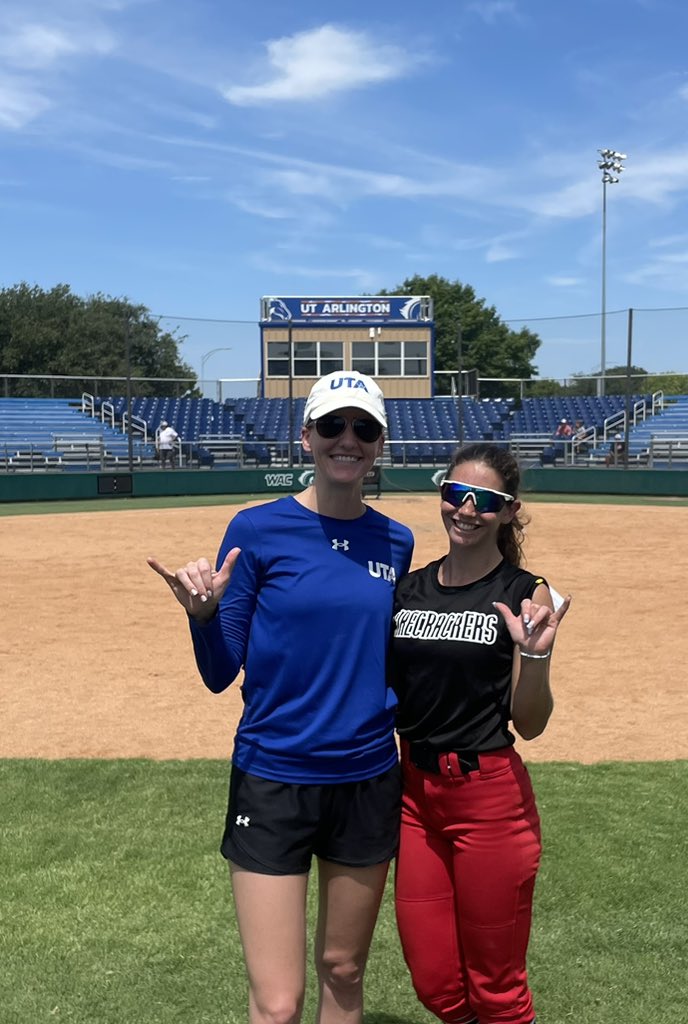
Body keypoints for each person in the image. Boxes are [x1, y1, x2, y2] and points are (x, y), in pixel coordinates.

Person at [147, 370, 414, 1024]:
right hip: (274, 777)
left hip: (366, 778)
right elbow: (220, 672)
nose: (347, 439)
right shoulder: (257, 529)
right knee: (277, 1001)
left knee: (344, 971)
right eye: (332, 425)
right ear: (305, 437)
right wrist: (203, 616)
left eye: (364, 428)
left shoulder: (397, 541)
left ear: (379, 444)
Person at [390, 442, 570, 1024]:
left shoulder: (525, 593)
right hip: (414, 798)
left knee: (496, 986)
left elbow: (531, 724)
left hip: (489, 802)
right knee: (436, 982)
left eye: (485, 500)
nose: (466, 510)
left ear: (509, 510)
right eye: (456, 493)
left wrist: (535, 657)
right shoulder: (408, 589)